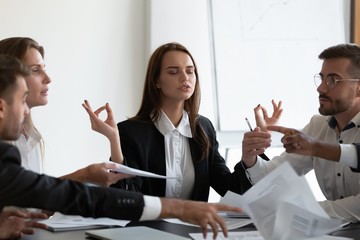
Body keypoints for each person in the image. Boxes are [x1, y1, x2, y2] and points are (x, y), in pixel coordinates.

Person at [0, 54, 242, 239]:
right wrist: (178, 207)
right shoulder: (6, 157)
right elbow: (69, 196)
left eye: (190, 71)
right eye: (23, 101)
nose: (26, 112)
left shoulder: (204, 127)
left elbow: (38, 190)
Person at [83, 42, 282, 201]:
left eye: (190, 71)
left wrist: (251, 155)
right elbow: (125, 198)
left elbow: (230, 189)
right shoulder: (131, 132)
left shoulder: (204, 128)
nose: (185, 78)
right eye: (173, 71)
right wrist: (114, 140)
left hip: (193, 232)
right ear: (156, 81)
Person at [241, 43, 360, 223]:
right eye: (321, 78)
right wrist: (252, 158)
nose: (320, 88)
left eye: (333, 80)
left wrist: (299, 209)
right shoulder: (318, 126)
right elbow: (271, 179)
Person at [0, 37, 125, 187]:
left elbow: (35, 197)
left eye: (44, 69)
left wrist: (113, 137)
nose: (48, 78)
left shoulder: (31, 136)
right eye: (35, 70)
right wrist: (85, 175)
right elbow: (31, 194)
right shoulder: (9, 142)